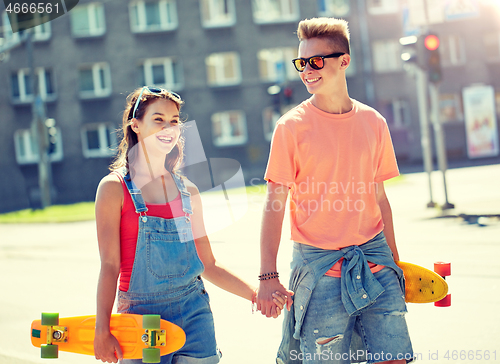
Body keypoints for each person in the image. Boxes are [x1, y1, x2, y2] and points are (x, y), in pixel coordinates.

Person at [256, 18, 414, 364]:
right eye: (302, 63)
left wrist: (395, 263)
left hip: (376, 261)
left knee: (394, 359)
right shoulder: (290, 128)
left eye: (316, 61)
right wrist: (268, 275)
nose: (307, 71)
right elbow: (274, 205)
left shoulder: (374, 122)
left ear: (344, 60)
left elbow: (380, 199)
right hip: (319, 269)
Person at [93, 86, 288, 364]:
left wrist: (256, 295)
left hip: (194, 316)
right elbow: (110, 266)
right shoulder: (113, 189)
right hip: (139, 321)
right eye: (158, 119)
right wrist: (102, 330)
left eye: (174, 121)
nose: (168, 128)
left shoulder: (188, 192)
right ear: (135, 125)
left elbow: (207, 264)